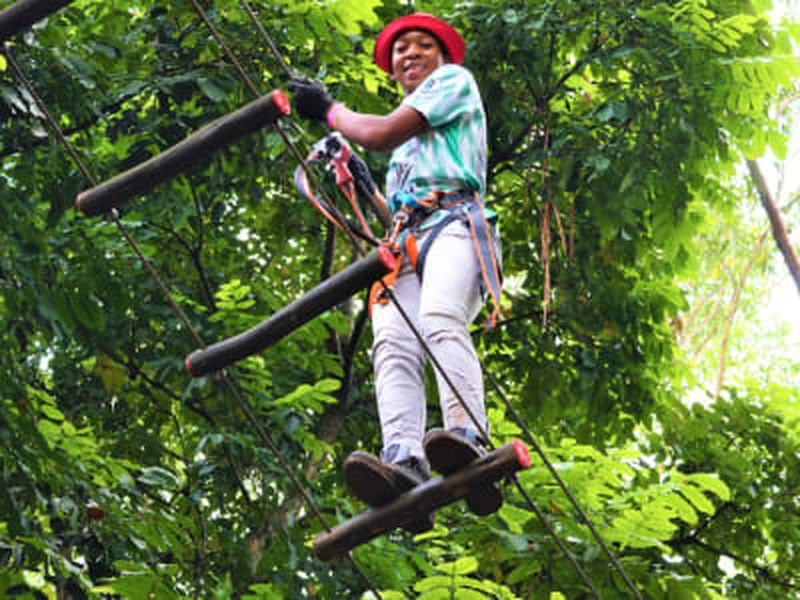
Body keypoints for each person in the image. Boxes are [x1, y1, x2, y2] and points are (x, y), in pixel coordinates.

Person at [290, 13, 502, 518]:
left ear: (442, 57)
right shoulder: (407, 138)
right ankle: (402, 457)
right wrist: (365, 183)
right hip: (406, 238)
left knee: (440, 319)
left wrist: (329, 111)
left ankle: (467, 431)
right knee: (391, 344)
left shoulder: (454, 83)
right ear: (392, 70)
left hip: (454, 221)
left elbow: (379, 132)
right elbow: (388, 153)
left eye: (422, 46)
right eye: (401, 49)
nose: (410, 54)